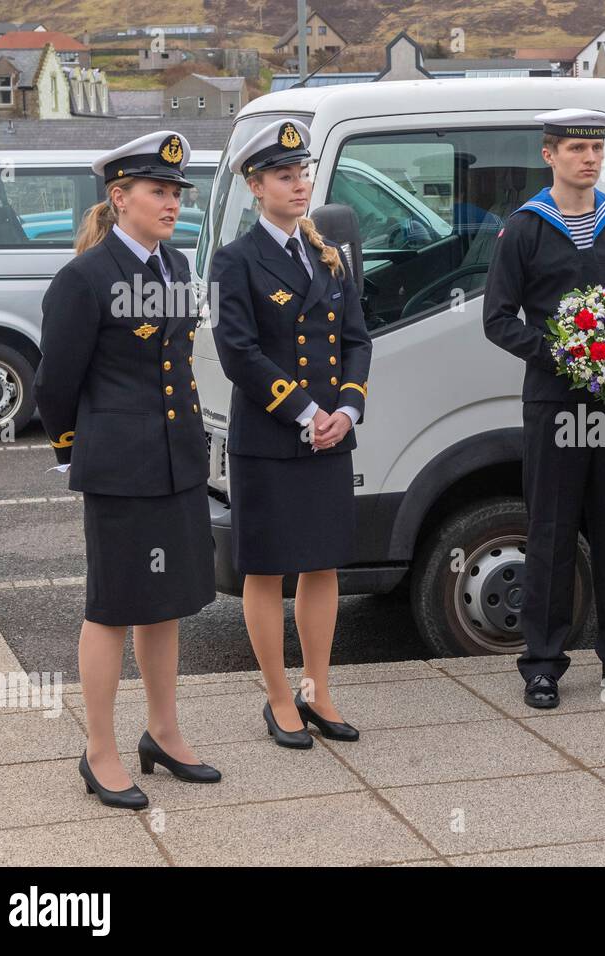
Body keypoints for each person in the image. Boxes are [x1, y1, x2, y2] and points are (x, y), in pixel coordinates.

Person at [34, 130, 219, 810]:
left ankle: (164, 734)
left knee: (164, 602)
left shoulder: (176, 268)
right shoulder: (85, 278)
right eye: (158, 191)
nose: (172, 203)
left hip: (173, 462)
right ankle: (100, 751)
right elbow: (56, 381)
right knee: (112, 609)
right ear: (119, 198)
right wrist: (72, 451)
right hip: (118, 467)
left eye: (176, 193)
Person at [482, 108, 605, 709]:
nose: (588, 159)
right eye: (575, 149)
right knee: (552, 531)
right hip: (553, 403)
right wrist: (564, 357)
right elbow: (496, 319)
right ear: (549, 156)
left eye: (595, 148)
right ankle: (542, 664)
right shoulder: (526, 228)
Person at [210, 119, 372, 748]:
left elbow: (356, 339)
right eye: (285, 175)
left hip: (332, 435)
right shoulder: (237, 260)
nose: (300, 184)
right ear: (256, 186)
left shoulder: (326, 252)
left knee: (322, 564)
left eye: (302, 173)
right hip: (273, 438)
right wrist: (308, 413)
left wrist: (348, 411)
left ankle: (319, 690)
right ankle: (279, 697)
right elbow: (239, 354)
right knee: (268, 569)